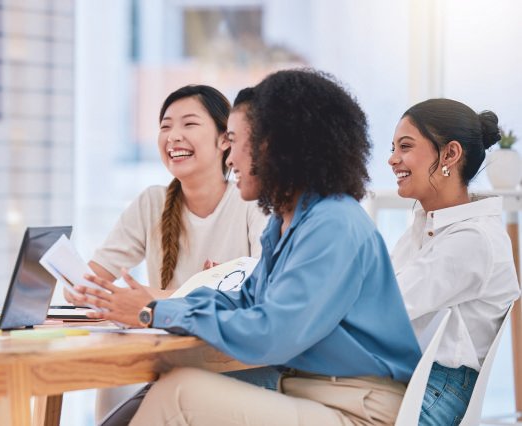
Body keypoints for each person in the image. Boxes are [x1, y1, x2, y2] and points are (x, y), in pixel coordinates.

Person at [72, 69, 422, 425]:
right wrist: (156, 305)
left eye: (236, 141)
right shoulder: (286, 224)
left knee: (180, 395)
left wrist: (154, 313)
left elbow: (272, 333)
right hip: (311, 391)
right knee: (171, 383)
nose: (230, 158)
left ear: (273, 147)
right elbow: (244, 300)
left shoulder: (332, 225)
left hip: (358, 410)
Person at [88, 85, 271, 424]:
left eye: (188, 124)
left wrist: (152, 302)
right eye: (165, 126)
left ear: (224, 140)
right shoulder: (152, 203)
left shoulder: (251, 203)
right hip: (174, 368)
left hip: (239, 370)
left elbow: (260, 296)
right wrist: (82, 288)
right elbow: (92, 280)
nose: (173, 136)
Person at [388, 98, 520, 425]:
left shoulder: (472, 240)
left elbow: (386, 309)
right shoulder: (428, 224)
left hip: (434, 388)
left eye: (405, 146)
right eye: (393, 147)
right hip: (412, 376)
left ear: (450, 154)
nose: (392, 159)